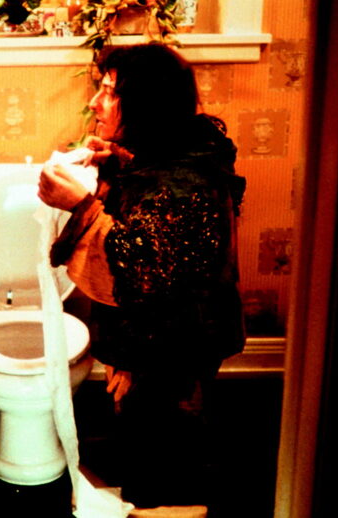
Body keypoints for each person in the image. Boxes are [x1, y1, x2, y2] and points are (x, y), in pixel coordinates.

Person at [38, 43, 246, 513]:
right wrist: (115, 158)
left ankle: (167, 507)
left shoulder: (185, 183)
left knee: (163, 454)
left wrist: (80, 205)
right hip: (167, 341)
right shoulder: (179, 151)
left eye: (109, 92)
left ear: (145, 104)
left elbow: (144, 267)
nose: (95, 103)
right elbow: (151, 208)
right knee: (149, 438)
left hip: (175, 346)